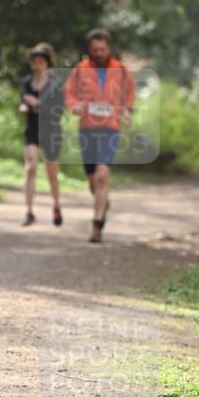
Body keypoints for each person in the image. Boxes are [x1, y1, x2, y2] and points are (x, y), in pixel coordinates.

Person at [64, 29, 135, 244]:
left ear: (109, 48)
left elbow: (130, 92)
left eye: (102, 49)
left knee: (102, 175)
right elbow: (69, 92)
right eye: (95, 50)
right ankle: (103, 202)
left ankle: (97, 223)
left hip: (111, 128)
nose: (99, 53)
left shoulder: (120, 70)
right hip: (87, 128)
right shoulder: (80, 69)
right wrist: (74, 105)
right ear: (90, 50)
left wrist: (128, 110)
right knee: (92, 180)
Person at [19, 43, 64, 227]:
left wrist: (37, 104)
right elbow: (23, 101)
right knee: (30, 168)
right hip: (32, 130)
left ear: (47, 64)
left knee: (51, 171)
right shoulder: (26, 82)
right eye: (34, 62)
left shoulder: (55, 85)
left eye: (40, 62)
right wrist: (25, 106)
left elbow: (58, 111)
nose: (37, 65)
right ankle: (29, 211)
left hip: (51, 131)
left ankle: (56, 204)